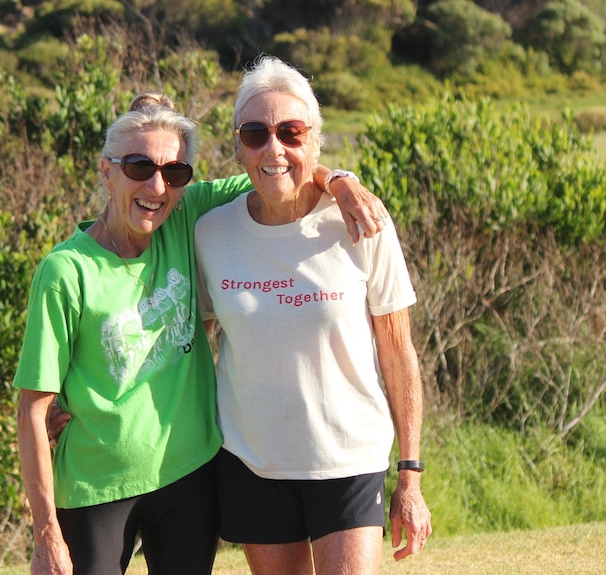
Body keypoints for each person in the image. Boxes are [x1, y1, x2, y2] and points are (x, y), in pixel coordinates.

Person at [15, 92, 390, 575]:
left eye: (174, 172)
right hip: (95, 486)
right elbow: (31, 406)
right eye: (137, 167)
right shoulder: (65, 272)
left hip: (188, 479)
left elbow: (275, 166)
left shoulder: (184, 213)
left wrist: (339, 181)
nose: (156, 186)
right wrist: (45, 533)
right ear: (106, 172)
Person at [194, 56, 432, 575]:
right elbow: (184, 341)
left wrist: (409, 477)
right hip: (251, 462)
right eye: (254, 133)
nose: (273, 148)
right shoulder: (210, 234)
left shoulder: (361, 220)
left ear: (316, 141)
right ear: (237, 146)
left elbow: (399, 353)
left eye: (291, 132)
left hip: (349, 459)